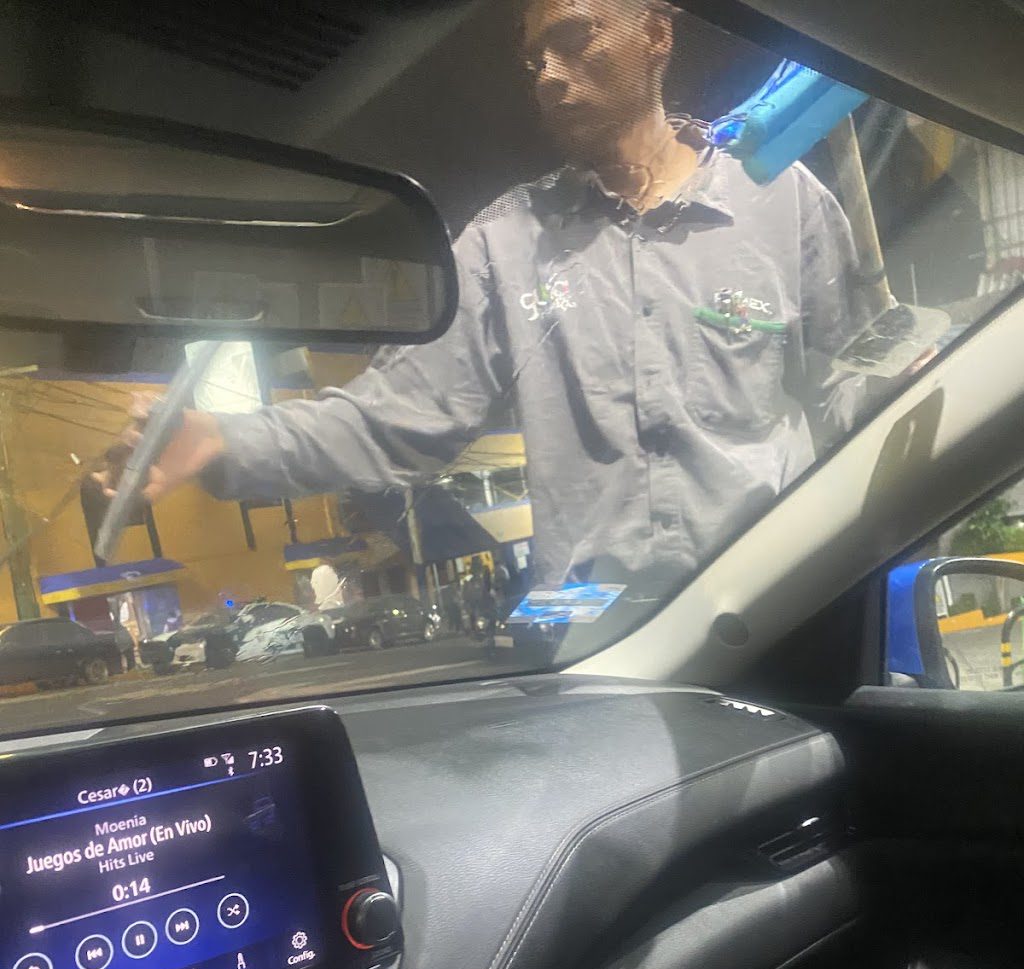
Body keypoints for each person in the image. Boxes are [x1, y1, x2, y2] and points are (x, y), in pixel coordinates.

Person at [104, 0, 868, 593]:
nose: (548, 75)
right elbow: (392, 417)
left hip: (776, 610)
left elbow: (848, 390)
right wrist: (223, 441)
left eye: (573, 38)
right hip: (608, 654)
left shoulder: (782, 202)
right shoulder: (505, 245)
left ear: (656, 35)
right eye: (535, 59)